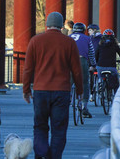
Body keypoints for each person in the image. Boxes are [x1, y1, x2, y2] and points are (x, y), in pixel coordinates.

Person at [23, 12, 83, 159]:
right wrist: (80, 90)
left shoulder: (35, 41)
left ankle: (42, 154)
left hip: (40, 90)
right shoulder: (69, 43)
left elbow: (28, 68)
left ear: (47, 25)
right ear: (62, 25)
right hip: (61, 91)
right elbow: (76, 70)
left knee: (40, 126)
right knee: (59, 129)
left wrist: (26, 89)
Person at [69, 22, 96, 118]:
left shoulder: (68, 37)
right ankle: (84, 106)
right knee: (85, 83)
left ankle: (67, 98)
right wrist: (93, 65)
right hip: (81, 61)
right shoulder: (87, 39)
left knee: (68, 82)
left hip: (69, 61)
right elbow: (91, 53)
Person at [95, 29, 120, 94]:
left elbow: (96, 55)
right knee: (115, 80)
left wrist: (97, 63)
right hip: (111, 66)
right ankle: (116, 94)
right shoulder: (115, 46)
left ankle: (100, 83)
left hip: (100, 66)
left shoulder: (100, 45)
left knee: (100, 75)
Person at [87, 23, 102, 100]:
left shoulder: (89, 39)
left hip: (92, 61)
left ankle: (92, 95)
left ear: (94, 30)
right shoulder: (102, 38)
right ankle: (101, 84)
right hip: (101, 61)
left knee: (91, 77)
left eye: (90, 30)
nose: (88, 32)